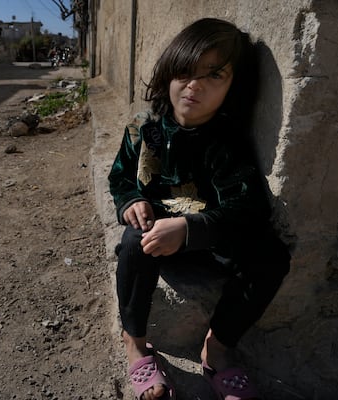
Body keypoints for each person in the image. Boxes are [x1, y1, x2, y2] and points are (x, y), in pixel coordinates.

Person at [108, 18, 291, 400]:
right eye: (186, 71)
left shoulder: (227, 142)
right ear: (168, 72)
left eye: (214, 75)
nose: (194, 85)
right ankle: (136, 343)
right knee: (132, 241)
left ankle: (217, 348)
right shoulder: (143, 128)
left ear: (233, 87)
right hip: (153, 242)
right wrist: (132, 201)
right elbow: (121, 177)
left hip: (208, 242)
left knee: (272, 256)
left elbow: (248, 207)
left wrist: (190, 229)